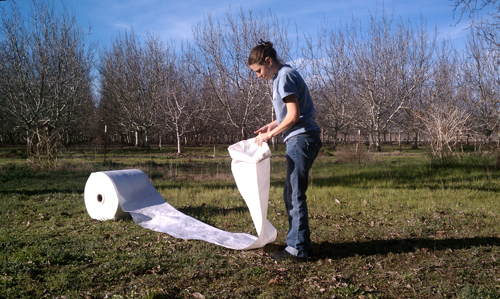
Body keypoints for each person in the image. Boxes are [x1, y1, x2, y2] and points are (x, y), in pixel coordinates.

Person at [248, 40, 322, 262]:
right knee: (291, 192)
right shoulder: (283, 75)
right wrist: (272, 125)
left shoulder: (284, 77)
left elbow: (294, 116)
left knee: (294, 193)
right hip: (301, 138)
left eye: (259, 71)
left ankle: (298, 249)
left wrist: (269, 136)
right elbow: (288, 114)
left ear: (268, 61)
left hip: (301, 139)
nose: (259, 76)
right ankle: (302, 244)